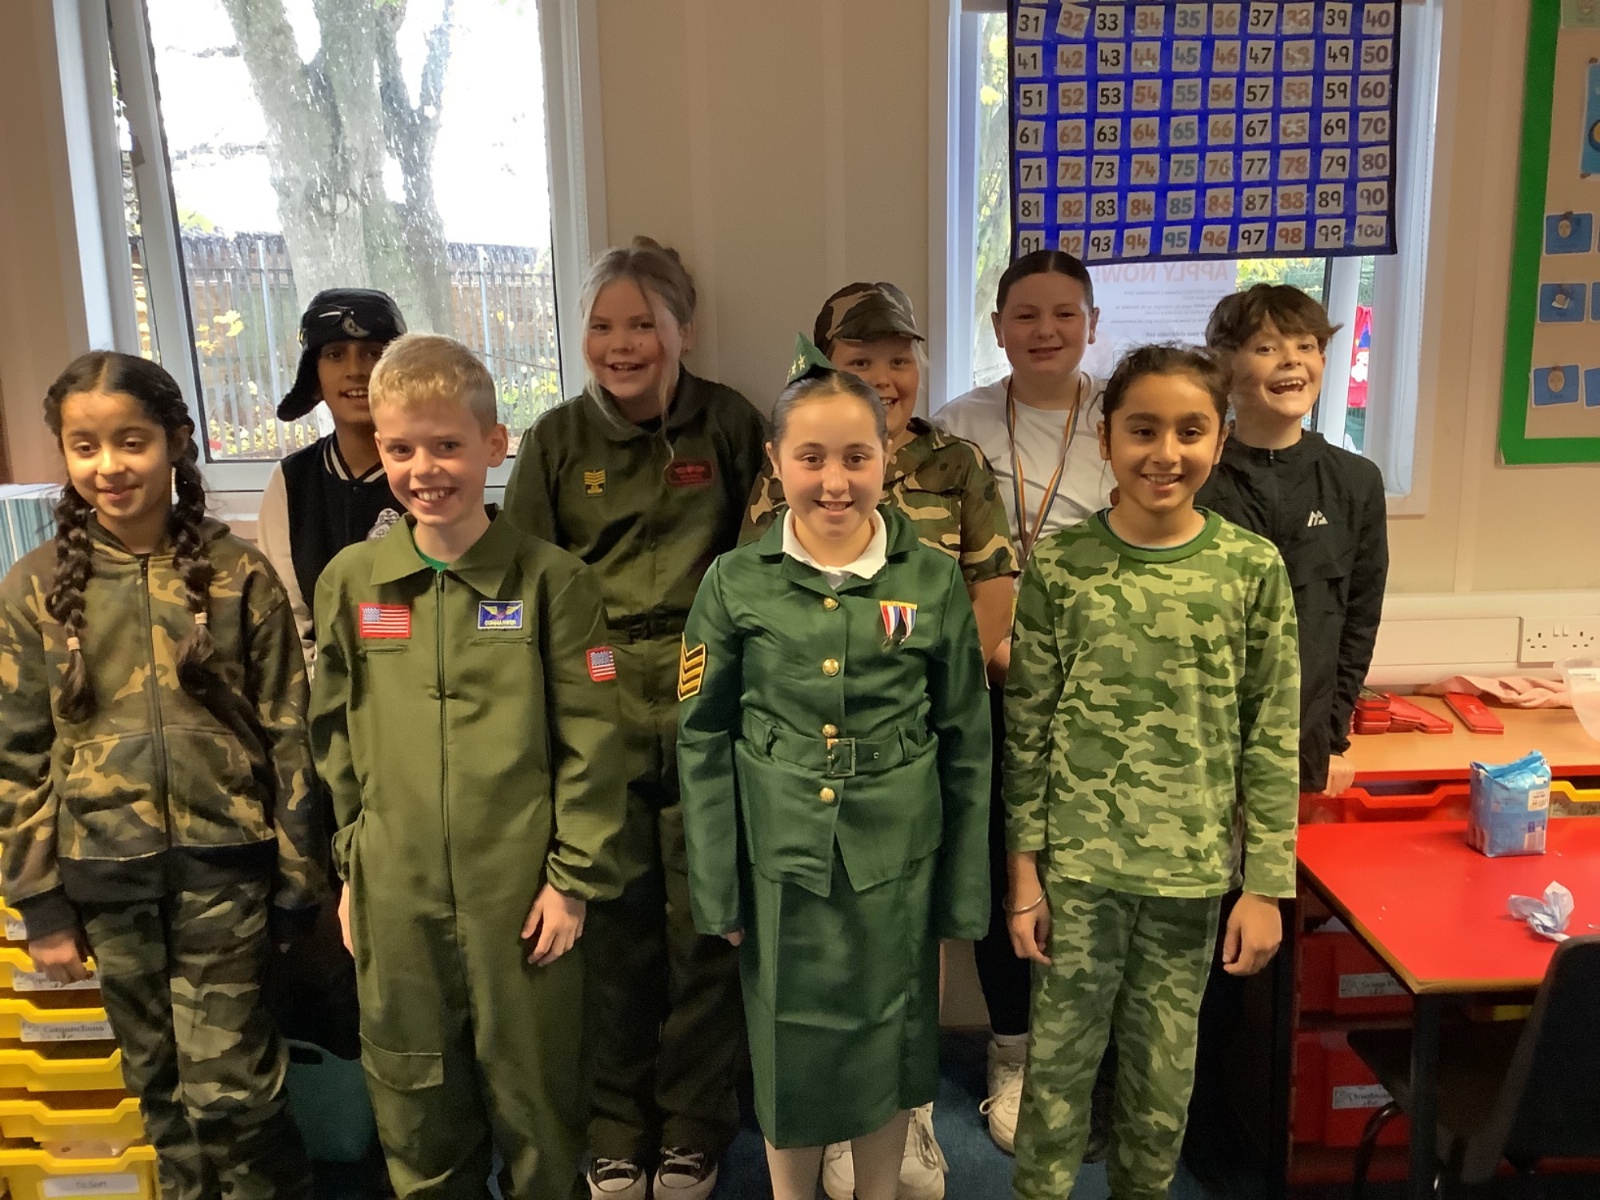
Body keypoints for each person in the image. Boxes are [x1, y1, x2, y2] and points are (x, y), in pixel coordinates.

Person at [309, 333, 627, 1199]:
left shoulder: (553, 582)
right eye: (401, 449)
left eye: (447, 445)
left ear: (493, 445)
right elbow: (334, 736)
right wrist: (354, 866)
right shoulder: (353, 583)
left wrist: (573, 881)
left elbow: (593, 741)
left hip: (520, 895)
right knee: (415, 1104)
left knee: (538, 1103)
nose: (424, 470)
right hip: (397, 895)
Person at [0, 351, 322, 1199]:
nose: (109, 466)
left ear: (176, 441)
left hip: (227, 873)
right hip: (103, 876)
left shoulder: (240, 575)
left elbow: (289, 733)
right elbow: (17, 754)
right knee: (158, 1089)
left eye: (131, 441)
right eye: (85, 446)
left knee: (234, 1092)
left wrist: (299, 877)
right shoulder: (33, 588)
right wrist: (40, 903)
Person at [677, 350, 991, 1200]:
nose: (835, 481)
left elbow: (967, 739)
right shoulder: (734, 581)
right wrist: (718, 889)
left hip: (898, 861)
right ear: (776, 462)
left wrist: (963, 892)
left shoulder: (931, 580)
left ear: (888, 458)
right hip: (779, 860)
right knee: (790, 1048)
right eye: (811, 457)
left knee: (891, 1041)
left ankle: (878, 1190)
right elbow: (701, 740)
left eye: (857, 456)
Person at [502, 238, 766, 1200]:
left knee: (705, 921)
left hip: (706, 690)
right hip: (596, 695)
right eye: (602, 326)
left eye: (642, 324)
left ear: (681, 330)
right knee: (609, 926)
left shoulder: (731, 424)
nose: (622, 345)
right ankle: (615, 1123)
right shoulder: (555, 441)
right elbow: (523, 584)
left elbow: (764, 559)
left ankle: (694, 1123)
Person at [1004, 345, 1300, 1200]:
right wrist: (1023, 877)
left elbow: (1272, 735)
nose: (1165, 453)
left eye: (1190, 431)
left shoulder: (1250, 570)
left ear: (1222, 440)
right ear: (1105, 439)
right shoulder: (1062, 566)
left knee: (1162, 1085)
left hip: (1190, 876)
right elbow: (1027, 731)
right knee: (1057, 1080)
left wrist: (1265, 886)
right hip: (1078, 873)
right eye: (1142, 430)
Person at [743, 281, 1018, 1198]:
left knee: (905, 947)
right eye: (861, 359)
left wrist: (925, 688)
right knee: (818, 952)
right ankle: (829, 1117)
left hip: (914, 740)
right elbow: (764, 599)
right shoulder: (787, 463)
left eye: (899, 357)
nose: (885, 374)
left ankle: (907, 1115)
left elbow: (989, 587)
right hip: (811, 753)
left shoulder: (955, 461)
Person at [933, 250, 1113, 1154]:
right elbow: (941, 565)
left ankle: (1080, 1057)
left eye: (1064, 313)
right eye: (1025, 315)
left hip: (1102, 694)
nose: (1045, 331)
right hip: (995, 684)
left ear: (1092, 323)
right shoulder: (957, 425)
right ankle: (1011, 1051)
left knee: (1086, 878)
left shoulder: (1122, 416)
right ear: (998, 327)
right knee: (1003, 869)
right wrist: (999, 658)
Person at [1197, 283, 1389, 800]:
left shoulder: (1355, 483)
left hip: (1300, 746)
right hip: (1198, 746)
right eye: (1267, 347)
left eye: (1307, 346)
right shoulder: (1197, 478)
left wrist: (1332, 739)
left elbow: (1358, 621)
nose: (1292, 360)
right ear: (1224, 365)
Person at [258, 288, 408, 666]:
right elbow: (289, 625)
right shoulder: (291, 481)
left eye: (373, 353)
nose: (355, 369)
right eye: (335, 354)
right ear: (314, 376)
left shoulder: (429, 474)